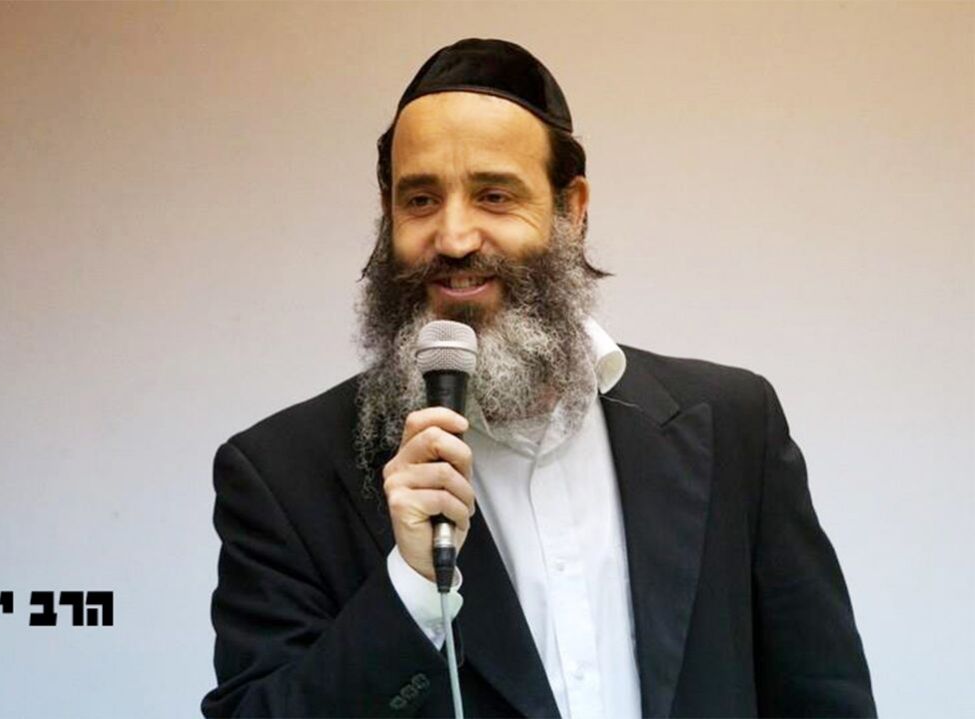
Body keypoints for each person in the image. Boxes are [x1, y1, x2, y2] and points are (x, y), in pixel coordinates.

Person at [202, 38, 875, 718]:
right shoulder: (283, 475)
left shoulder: (733, 424)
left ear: (571, 210)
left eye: (494, 196)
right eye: (421, 199)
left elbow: (824, 699)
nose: (454, 237)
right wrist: (409, 589)